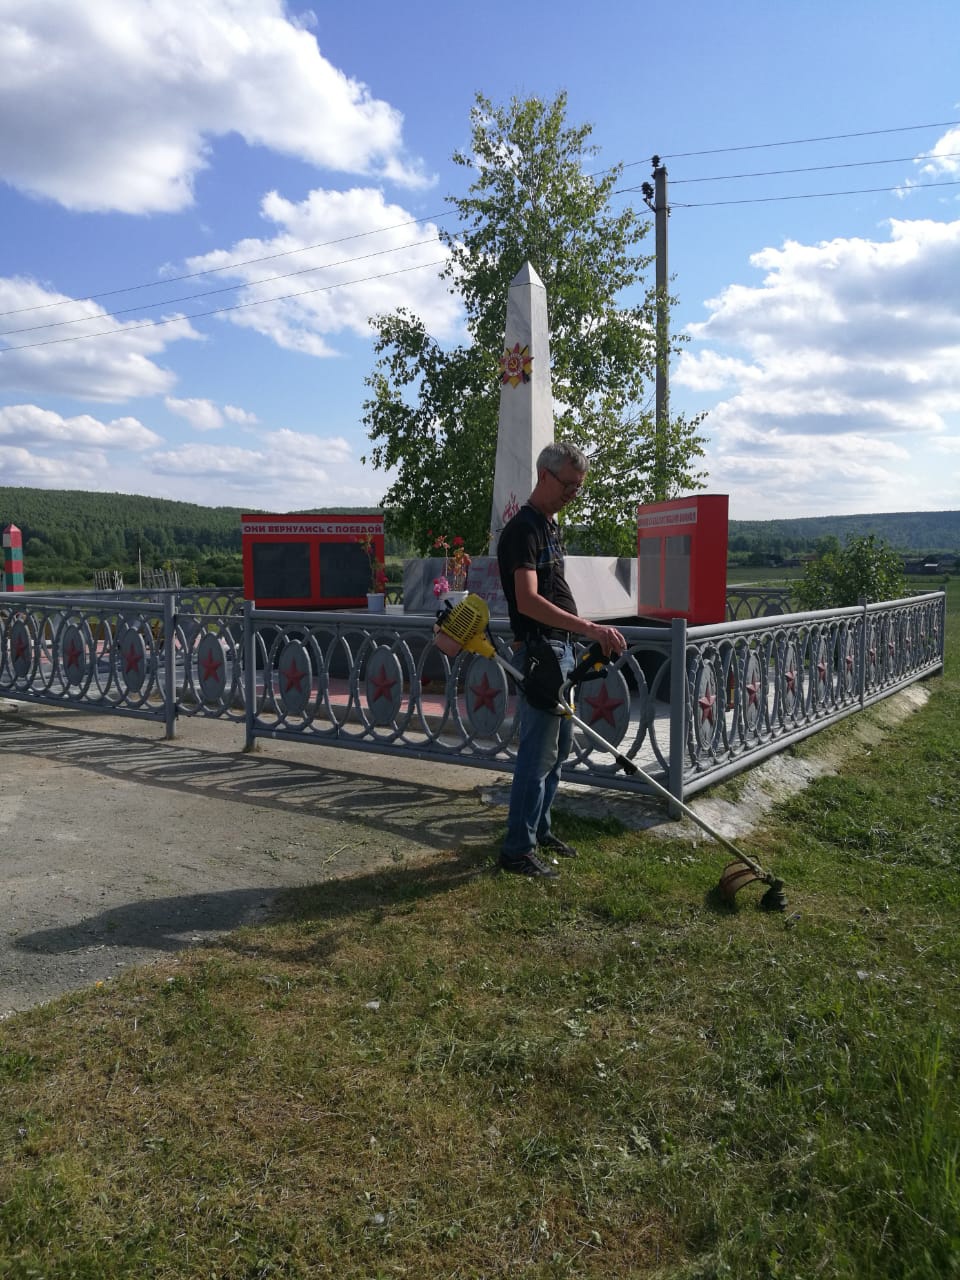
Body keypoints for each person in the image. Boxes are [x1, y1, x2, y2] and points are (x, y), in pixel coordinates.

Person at [496, 442, 626, 877]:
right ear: (545, 475)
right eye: (569, 485)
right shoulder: (524, 530)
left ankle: (540, 831)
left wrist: (580, 636)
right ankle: (517, 849)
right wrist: (589, 629)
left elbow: (552, 594)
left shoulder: (549, 526)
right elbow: (529, 601)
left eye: (578, 487)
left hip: (562, 649)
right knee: (536, 756)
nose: (574, 493)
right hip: (542, 651)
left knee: (558, 750)